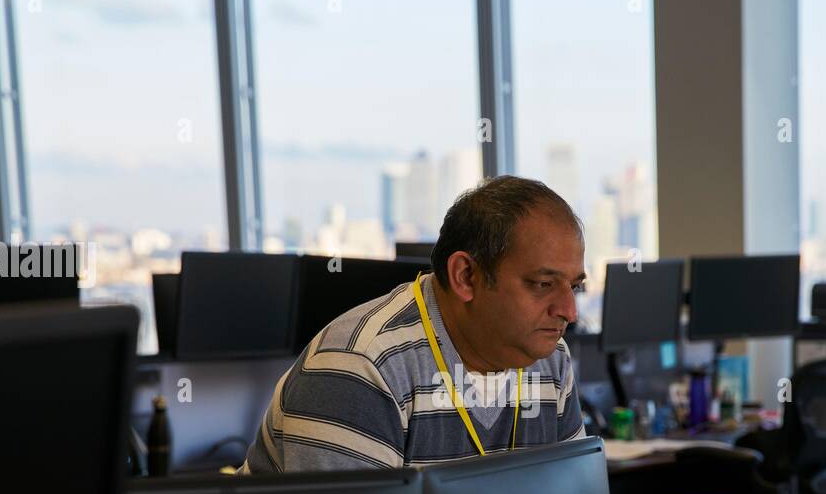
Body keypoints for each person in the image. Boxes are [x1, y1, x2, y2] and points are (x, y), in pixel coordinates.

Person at [241, 175, 587, 472]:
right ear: (466, 276)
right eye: (543, 284)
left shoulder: (551, 359)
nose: (569, 311)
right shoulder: (360, 366)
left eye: (574, 287)